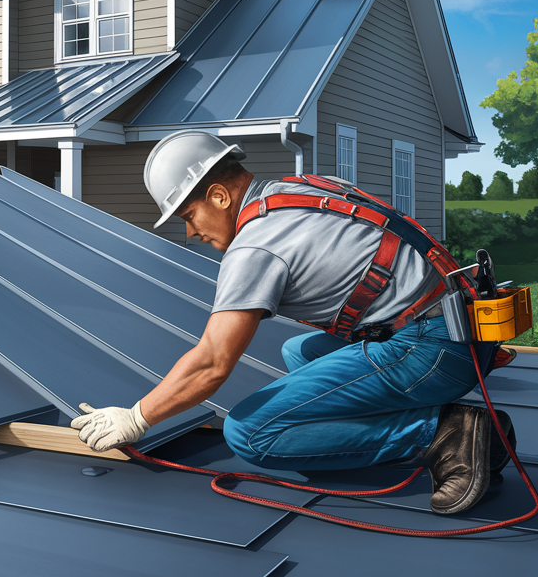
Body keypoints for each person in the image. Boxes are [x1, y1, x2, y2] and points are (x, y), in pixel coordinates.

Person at [71, 130, 513, 515]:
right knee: (297, 351)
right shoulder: (295, 189)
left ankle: (444, 432)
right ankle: (430, 407)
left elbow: (212, 362)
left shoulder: (255, 246)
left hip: (434, 347)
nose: (191, 233)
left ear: (220, 196)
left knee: (250, 433)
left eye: (189, 216)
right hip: (463, 328)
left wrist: (137, 416)